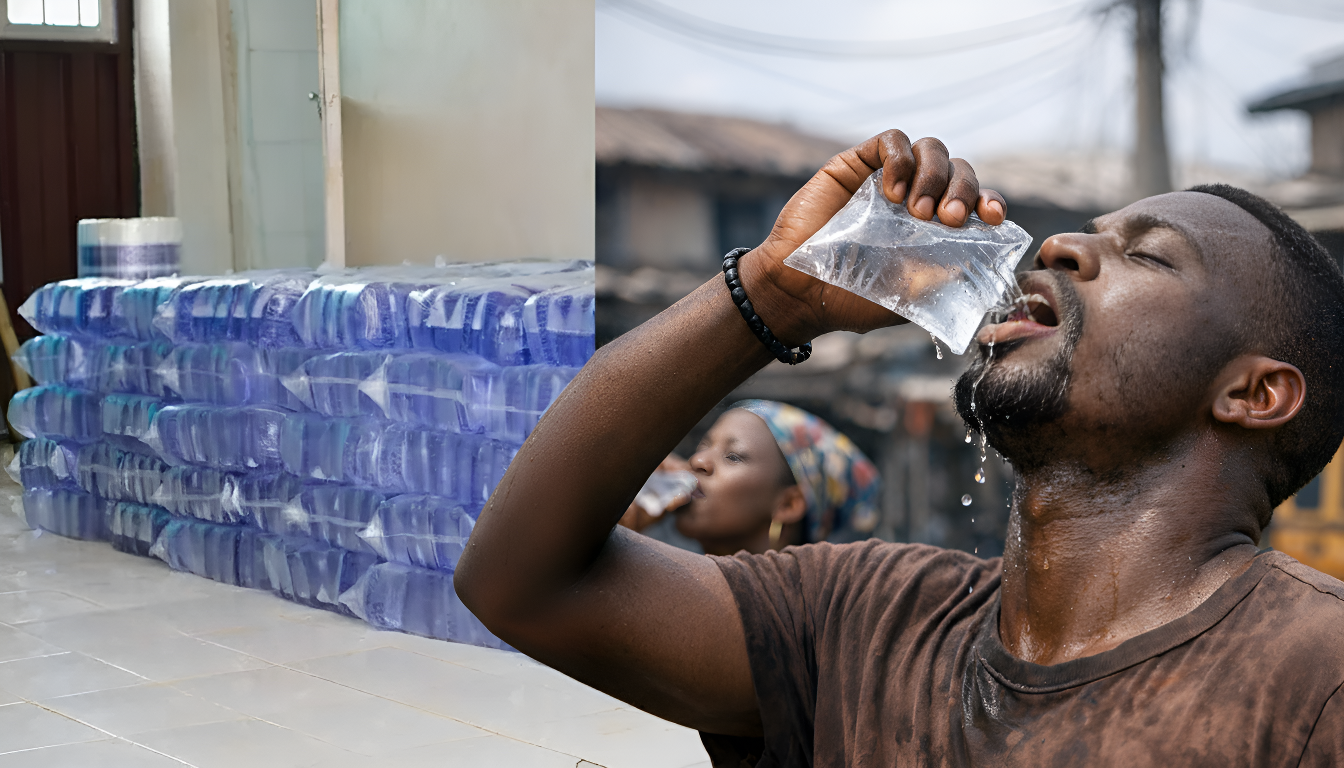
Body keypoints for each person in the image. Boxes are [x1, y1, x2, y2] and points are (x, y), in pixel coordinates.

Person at [454, 129, 1344, 766]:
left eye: (1147, 257)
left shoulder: (1315, 678)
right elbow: (521, 584)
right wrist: (774, 294)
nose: (1060, 246)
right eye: (1086, 234)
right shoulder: (861, 617)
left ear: (1253, 394)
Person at [623, 400, 881, 555]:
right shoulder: (671, 577)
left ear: (788, 505)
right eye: (704, 447)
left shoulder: (790, 621)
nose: (697, 461)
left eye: (733, 456)